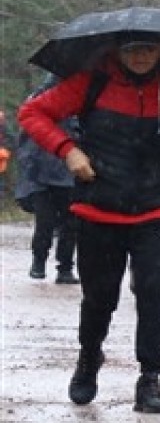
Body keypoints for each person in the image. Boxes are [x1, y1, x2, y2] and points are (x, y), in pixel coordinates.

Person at [18, 31, 160, 414]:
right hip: (98, 208)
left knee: (155, 296)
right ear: (117, 51)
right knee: (100, 298)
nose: (140, 56)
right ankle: (89, 358)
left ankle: (150, 379)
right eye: (132, 49)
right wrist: (68, 150)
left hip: (156, 209)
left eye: (148, 49)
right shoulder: (92, 83)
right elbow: (33, 114)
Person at [14, 79, 79, 284]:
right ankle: (39, 261)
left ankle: (65, 268)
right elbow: (25, 140)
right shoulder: (38, 102)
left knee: (70, 224)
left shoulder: (80, 103)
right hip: (41, 174)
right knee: (45, 222)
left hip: (69, 173)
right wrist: (29, 170)